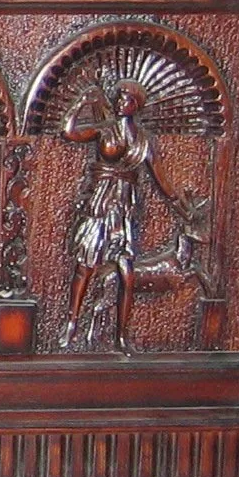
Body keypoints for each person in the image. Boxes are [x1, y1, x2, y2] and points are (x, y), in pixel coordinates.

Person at [60, 76, 182, 352]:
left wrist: (180, 206)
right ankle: (71, 324)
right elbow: (69, 132)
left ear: (135, 106)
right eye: (117, 97)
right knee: (85, 265)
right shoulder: (105, 131)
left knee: (126, 274)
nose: (119, 102)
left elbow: (161, 180)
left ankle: (122, 336)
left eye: (126, 99)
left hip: (123, 208)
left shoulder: (143, 142)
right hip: (100, 203)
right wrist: (81, 104)